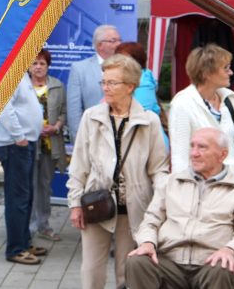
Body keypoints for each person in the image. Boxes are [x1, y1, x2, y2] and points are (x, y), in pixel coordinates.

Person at [67, 54, 168, 289]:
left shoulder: (149, 121)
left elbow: (158, 169)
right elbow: (79, 165)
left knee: (127, 273)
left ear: (130, 86)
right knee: (91, 272)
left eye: (112, 82)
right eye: (103, 82)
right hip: (96, 203)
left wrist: (161, 203)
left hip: (134, 208)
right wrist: (74, 204)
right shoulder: (91, 117)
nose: (106, 87)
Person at [125, 127, 234, 289]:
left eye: (202, 147)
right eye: (192, 146)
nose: (194, 153)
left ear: (222, 155)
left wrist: (230, 250)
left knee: (223, 267)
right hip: (169, 260)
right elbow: (150, 221)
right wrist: (147, 243)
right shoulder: (171, 183)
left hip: (211, 261)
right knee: (138, 261)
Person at [168, 43, 234, 189]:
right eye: (225, 68)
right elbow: (180, 157)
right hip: (204, 190)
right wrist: (183, 196)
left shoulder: (229, 98)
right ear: (207, 73)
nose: (231, 73)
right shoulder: (182, 104)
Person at [0, 72, 47, 265]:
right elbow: (3, 105)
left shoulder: (21, 73)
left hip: (23, 142)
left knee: (26, 195)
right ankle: (15, 249)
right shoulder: (10, 72)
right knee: (18, 198)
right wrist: (18, 135)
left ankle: (24, 242)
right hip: (14, 144)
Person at [28, 49, 67, 241]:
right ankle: (28, 225)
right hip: (27, 144)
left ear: (48, 66)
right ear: (28, 66)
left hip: (49, 144)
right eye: (34, 63)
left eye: (42, 63)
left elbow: (64, 112)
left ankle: (43, 225)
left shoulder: (58, 86)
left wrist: (57, 126)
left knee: (44, 185)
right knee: (28, 184)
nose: (38, 67)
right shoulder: (22, 87)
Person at [67, 25, 121, 142]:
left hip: (121, 137)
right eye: (113, 41)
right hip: (92, 137)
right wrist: (79, 140)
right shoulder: (79, 69)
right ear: (100, 45)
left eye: (119, 40)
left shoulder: (126, 67)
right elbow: (74, 110)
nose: (118, 44)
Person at [115, 41, 168, 150]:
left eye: (124, 59)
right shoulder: (123, 79)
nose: (119, 62)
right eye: (117, 58)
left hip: (148, 142)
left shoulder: (144, 81)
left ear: (137, 60)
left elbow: (141, 114)